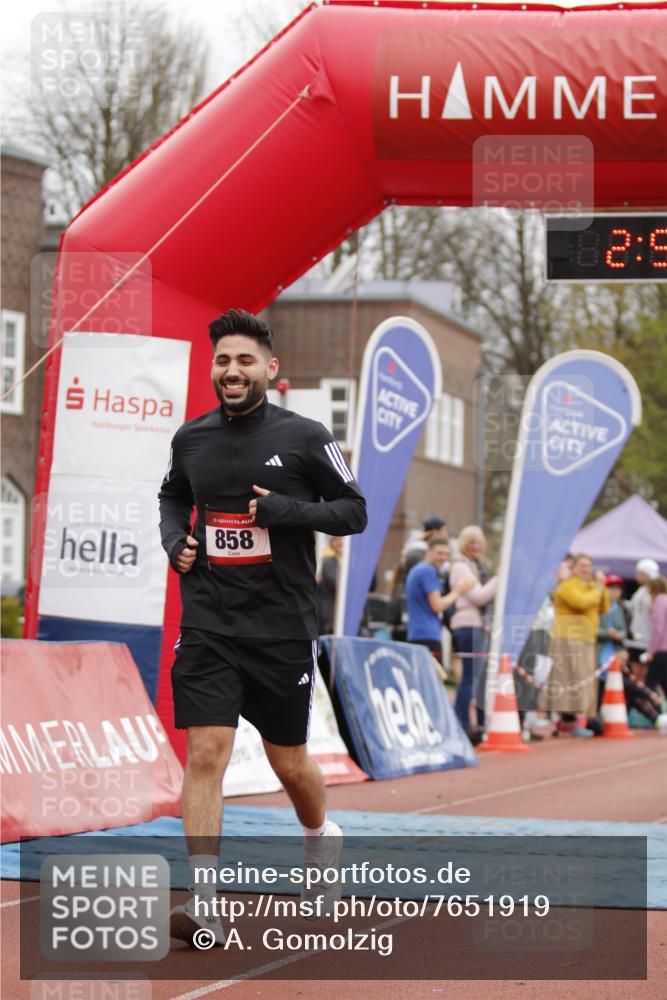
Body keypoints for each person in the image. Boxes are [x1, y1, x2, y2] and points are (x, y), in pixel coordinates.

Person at [158, 309, 367, 944]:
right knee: (206, 757)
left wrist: (284, 511)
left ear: (269, 370)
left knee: (290, 762)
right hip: (211, 622)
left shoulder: (306, 436)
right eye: (223, 360)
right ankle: (206, 903)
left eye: (245, 360)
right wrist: (175, 540)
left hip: (280, 627)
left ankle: (318, 837)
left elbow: (354, 510)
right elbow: (172, 495)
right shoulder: (191, 438)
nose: (232, 371)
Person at [543, 554, 609, 737]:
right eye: (582, 565)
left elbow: (604, 607)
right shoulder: (568, 585)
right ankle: (568, 722)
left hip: (587, 638)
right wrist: (599, 588)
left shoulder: (590, 586)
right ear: (574, 567)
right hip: (568, 638)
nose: (585, 569)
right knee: (571, 680)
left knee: (584, 682)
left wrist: (599, 588)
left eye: (588, 565)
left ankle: (576, 721)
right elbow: (581, 602)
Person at [449, 526, 498, 741]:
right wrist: (499, 579)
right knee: (471, 677)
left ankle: (475, 723)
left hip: (477, 626)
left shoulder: (477, 566)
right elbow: (478, 596)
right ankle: (461, 723)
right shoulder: (461, 567)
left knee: (477, 678)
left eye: (479, 542)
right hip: (468, 625)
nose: (476, 546)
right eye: (471, 542)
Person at [405, 537, 474, 681]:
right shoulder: (427, 571)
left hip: (418, 634)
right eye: (439, 553)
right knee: (433, 682)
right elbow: (437, 605)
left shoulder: (418, 570)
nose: (443, 557)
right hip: (427, 636)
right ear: (428, 551)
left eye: (446, 554)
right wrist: (458, 591)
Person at [596, 574, 628, 711]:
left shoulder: (620, 608)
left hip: (613, 650)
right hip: (599, 649)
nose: (615, 591)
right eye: (611, 588)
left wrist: (620, 636)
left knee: (616, 683)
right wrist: (606, 633)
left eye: (618, 589)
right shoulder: (597, 604)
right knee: (598, 684)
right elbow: (590, 627)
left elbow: (625, 630)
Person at [628, 558, 660, 673]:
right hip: (636, 640)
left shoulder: (656, 593)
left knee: (648, 677)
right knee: (637, 676)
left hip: (648, 642)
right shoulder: (640, 591)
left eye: (639, 573)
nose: (636, 576)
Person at [645, 576, 667, 699]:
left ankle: (651, 716)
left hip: (662, 650)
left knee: (650, 684)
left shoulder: (660, 600)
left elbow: (658, 629)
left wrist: (651, 651)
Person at [316, 536, 342, 635]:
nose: (340, 543)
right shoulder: (329, 562)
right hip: (330, 617)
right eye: (337, 540)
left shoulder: (341, 561)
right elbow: (338, 585)